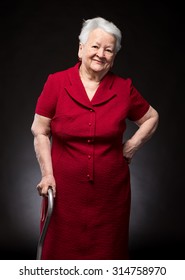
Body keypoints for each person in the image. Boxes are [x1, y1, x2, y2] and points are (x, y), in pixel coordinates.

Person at [31, 16, 159, 260]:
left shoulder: (123, 88)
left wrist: (131, 146)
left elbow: (152, 117)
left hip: (110, 196)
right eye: (95, 46)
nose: (101, 54)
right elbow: (40, 130)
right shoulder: (56, 83)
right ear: (81, 49)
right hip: (63, 192)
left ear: (114, 57)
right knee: (59, 255)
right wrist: (47, 174)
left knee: (107, 255)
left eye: (109, 50)